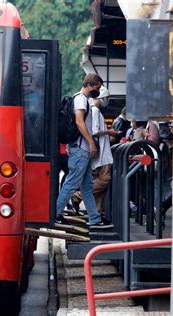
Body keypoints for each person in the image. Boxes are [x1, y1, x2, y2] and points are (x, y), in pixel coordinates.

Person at [55, 74, 113, 229]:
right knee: (72, 182)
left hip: (81, 149)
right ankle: (55, 214)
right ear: (89, 85)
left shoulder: (80, 99)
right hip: (80, 149)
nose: (98, 91)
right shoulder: (81, 99)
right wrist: (91, 143)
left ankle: (94, 218)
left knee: (87, 185)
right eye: (97, 87)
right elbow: (79, 122)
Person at [73, 87, 120, 214]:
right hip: (100, 154)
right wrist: (109, 132)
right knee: (105, 179)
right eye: (107, 98)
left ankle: (97, 212)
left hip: (101, 151)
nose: (107, 101)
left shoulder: (94, 110)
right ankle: (77, 195)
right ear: (102, 98)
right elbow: (94, 131)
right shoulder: (95, 111)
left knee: (100, 184)